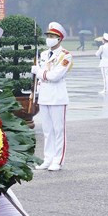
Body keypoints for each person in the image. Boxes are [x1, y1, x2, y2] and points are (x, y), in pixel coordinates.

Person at [31, 22, 72, 171]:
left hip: (57, 97)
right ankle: (48, 159)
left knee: (58, 130)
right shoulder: (43, 54)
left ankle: (58, 160)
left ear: (59, 39)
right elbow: (42, 77)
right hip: (44, 96)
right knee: (47, 131)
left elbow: (55, 76)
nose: (49, 38)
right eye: (48, 35)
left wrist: (38, 72)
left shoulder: (65, 55)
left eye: (53, 36)